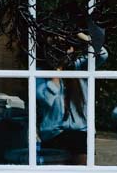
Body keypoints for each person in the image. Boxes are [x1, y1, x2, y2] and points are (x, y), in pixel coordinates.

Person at [36, 33, 107, 165]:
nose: (61, 51)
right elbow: (47, 99)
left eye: (65, 46)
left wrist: (78, 35)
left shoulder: (80, 66)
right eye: (56, 47)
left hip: (80, 131)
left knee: (83, 172)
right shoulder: (40, 74)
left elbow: (102, 54)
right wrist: (58, 69)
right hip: (54, 133)